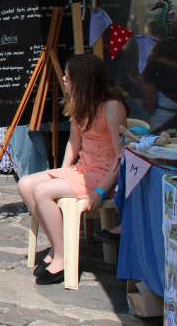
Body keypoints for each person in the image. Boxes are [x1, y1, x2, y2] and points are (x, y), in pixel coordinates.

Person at [17, 54, 126, 285]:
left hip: (104, 174)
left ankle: (63, 258)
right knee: (25, 184)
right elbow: (74, 143)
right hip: (83, 169)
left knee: (42, 192)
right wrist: (63, 171)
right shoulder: (81, 104)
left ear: (83, 80)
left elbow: (120, 157)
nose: (64, 80)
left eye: (68, 77)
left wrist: (101, 192)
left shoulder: (111, 107)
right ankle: (58, 245)